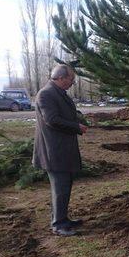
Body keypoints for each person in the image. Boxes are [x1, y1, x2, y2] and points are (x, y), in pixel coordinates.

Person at [33, 64, 88, 237]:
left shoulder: (58, 93)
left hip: (63, 149)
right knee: (60, 187)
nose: (72, 82)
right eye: (71, 79)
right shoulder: (46, 94)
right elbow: (52, 120)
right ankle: (58, 225)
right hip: (53, 151)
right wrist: (76, 126)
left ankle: (62, 218)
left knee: (64, 186)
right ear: (61, 78)